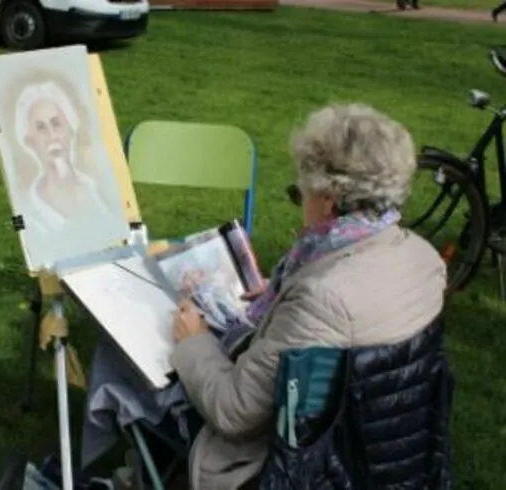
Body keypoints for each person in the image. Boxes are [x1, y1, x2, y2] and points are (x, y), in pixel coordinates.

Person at [168, 103, 446, 489]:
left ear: (329, 199)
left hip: (306, 469)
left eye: (300, 193)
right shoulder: (423, 257)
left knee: (145, 377)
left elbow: (233, 412)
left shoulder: (322, 299)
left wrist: (194, 340)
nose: (301, 202)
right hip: (397, 458)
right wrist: (280, 296)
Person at [14, 81, 114, 234]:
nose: (52, 136)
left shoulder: (97, 189)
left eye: (57, 124)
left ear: (71, 130)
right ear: (30, 142)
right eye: (41, 128)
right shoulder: (30, 210)